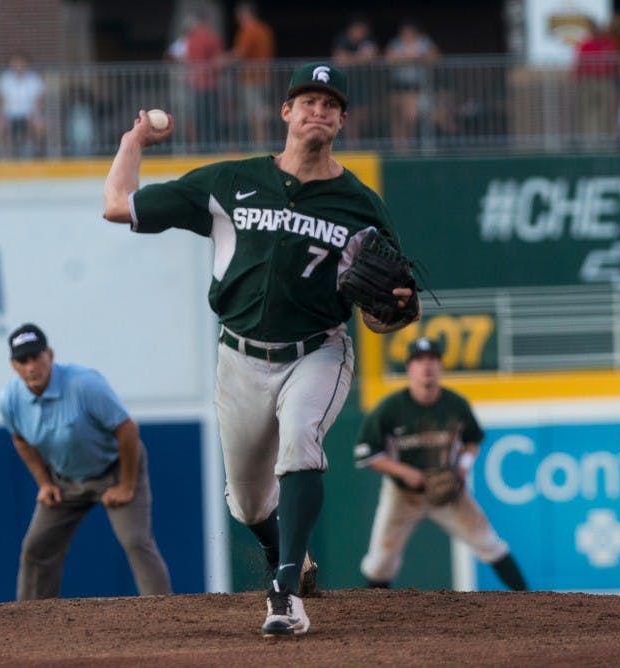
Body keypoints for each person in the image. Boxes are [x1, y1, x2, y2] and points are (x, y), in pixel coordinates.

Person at [101, 62, 420, 637]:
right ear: (286, 112)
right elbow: (117, 204)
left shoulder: (361, 204)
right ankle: (292, 560)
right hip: (239, 357)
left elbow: (390, 311)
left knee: (300, 437)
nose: (317, 111)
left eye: (329, 104)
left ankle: (285, 592)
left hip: (317, 351)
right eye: (307, 100)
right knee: (247, 505)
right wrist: (132, 142)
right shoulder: (229, 182)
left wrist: (392, 312)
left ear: (342, 120)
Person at [0, 323, 172, 600]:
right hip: (65, 480)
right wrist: (44, 482)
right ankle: (31, 623)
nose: (31, 366)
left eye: (36, 357)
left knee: (136, 541)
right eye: (23, 360)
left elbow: (127, 429)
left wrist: (127, 484)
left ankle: (165, 615)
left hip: (115, 470)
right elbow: (19, 438)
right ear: (14, 366)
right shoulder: (10, 399)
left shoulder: (84, 384)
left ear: (50, 355)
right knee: (36, 547)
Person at [354, 337, 528, 593]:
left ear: (440, 366)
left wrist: (464, 465)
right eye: (420, 360)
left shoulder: (454, 405)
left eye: (432, 360)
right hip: (403, 495)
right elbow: (367, 454)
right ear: (409, 367)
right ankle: (371, 618)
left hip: (448, 491)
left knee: (489, 544)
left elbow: (473, 440)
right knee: (380, 562)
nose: (427, 366)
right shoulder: (391, 409)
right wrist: (404, 472)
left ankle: (531, 600)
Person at [384, 19, 439, 152]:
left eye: (410, 32)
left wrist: (419, 57)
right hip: (398, 85)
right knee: (397, 116)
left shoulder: (424, 42)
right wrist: (407, 58)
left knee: (410, 116)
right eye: (404, 32)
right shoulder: (396, 43)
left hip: (415, 86)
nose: (407, 35)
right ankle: (398, 146)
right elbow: (389, 59)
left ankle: (408, 145)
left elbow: (435, 57)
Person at [227, 1, 275, 148]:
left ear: (244, 14)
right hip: (265, 76)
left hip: (251, 78)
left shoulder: (248, 30)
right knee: (261, 111)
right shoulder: (265, 29)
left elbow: (239, 54)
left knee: (255, 114)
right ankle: (263, 142)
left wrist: (222, 59)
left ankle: (259, 145)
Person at [332, 13, 381, 145]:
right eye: (358, 29)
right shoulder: (342, 39)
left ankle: (359, 142)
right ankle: (351, 144)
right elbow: (339, 58)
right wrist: (359, 58)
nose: (361, 32)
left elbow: (371, 56)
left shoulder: (369, 41)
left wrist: (352, 59)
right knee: (348, 115)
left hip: (363, 83)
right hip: (346, 84)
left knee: (362, 115)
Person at [574, 17, 620, 146]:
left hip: (605, 80)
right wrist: (578, 78)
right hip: (589, 81)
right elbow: (580, 63)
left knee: (607, 110)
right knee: (590, 112)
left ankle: (606, 139)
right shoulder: (586, 44)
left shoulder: (607, 42)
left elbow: (614, 60)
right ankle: (592, 140)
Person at [184, 11, 224, 150]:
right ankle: (211, 146)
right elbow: (217, 60)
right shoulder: (212, 38)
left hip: (195, 83)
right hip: (210, 83)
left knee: (197, 117)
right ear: (205, 22)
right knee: (211, 117)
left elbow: (188, 59)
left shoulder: (190, 39)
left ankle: (198, 147)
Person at [0, 52, 46, 158]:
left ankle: (35, 151)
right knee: (0, 123)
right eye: (15, 63)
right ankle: (5, 154)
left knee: (39, 123)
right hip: (9, 113)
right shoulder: (5, 78)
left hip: (29, 112)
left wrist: (35, 113)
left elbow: (39, 100)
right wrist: (1, 114)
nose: (18, 65)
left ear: (26, 64)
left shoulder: (34, 78)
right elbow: (0, 100)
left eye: (21, 63)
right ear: (11, 64)